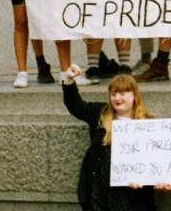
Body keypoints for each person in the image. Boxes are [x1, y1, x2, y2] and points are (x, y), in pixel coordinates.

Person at [61, 65, 163, 211]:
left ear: (135, 95)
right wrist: (69, 80)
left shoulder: (148, 123)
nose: (117, 98)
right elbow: (75, 105)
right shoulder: (100, 113)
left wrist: (155, 179)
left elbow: (158, 160)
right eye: (113, 94)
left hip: (135, 197)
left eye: (123, 93)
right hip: (100, 193)